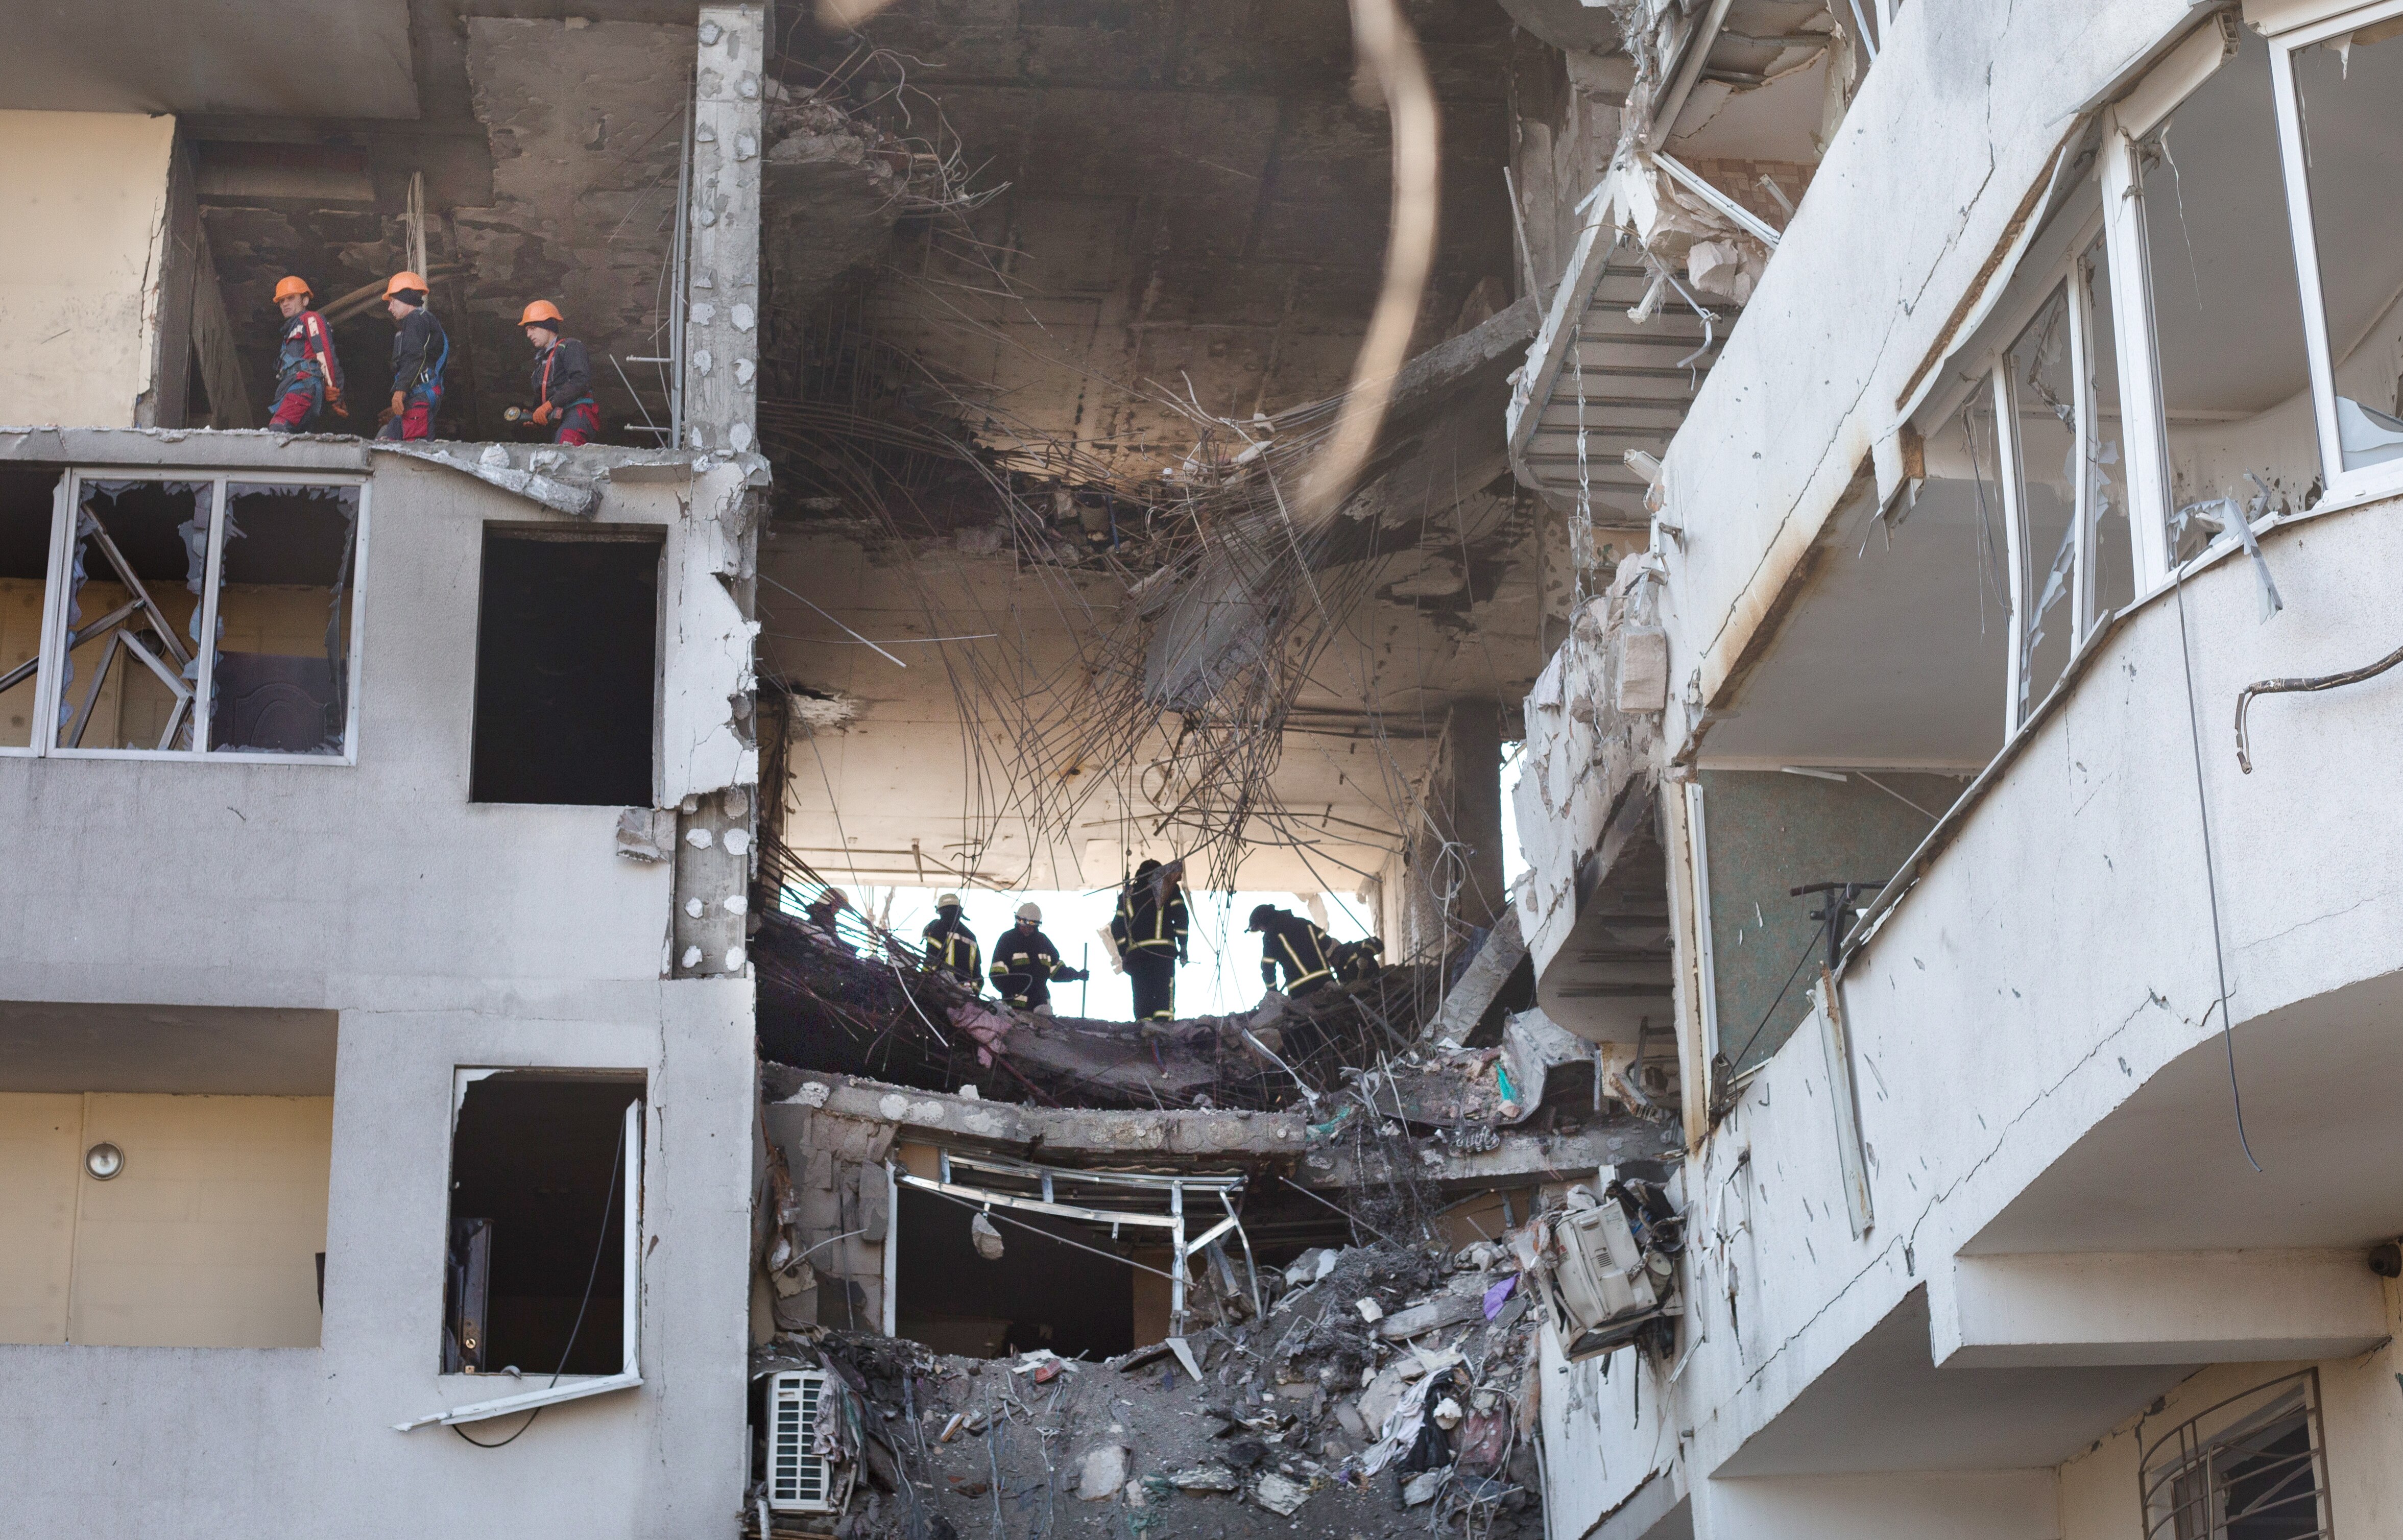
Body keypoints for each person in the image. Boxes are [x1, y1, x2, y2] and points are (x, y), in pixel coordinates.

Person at [1109, 858, 1189, 1021]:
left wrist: (1125, 953)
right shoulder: (1169, 888)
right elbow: (1181, 916)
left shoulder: (1128, 895)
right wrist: (1183, 946)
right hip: (1163, 954)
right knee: (1163, 999)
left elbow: (1117, 927)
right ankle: (1163, 1031)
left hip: (1137, 957)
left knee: (1142, 999)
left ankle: (1143, 1034)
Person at [266, 276, 344, 431]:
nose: (285, 303)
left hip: (304, 387)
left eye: (290, 298)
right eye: (282, 301)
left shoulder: (311, 318)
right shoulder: (289, 331)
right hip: (291, 388)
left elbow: (325, 354)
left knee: (278, 428)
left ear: (305, 301)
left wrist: (335, 391)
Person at [377, 271, 448, 442]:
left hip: (420, 397)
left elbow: (414, 357)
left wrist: (399, 393)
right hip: (418, 395)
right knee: (389, 434)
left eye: (393, 302)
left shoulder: (415, 319)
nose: (390, 308)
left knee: (413, 450)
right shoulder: (421, 320)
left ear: (406, 299)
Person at [518, 300, 599, 445]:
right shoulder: (542, 363)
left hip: (577, 413)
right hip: (558, 419)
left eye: (532, 328)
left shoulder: (570, 346)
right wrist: (536, 415)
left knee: (564, 448)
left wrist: (548, 406)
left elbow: (581, 381)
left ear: (547, 326)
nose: (529, 335)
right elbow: (546, 396)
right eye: (527, 331)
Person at [990, 901, 1087, 1015]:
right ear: (1018, 921)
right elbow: (997, 976)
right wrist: (1016, 989)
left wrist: (1077, 975)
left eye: (1032, 926)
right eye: (1025, 925)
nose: (1028, 929)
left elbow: (1056, 972)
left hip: (1042, 1007)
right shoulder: (1008, 940)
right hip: (1016, 1009)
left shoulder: (1043, 942)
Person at [1251, 903, 1336, 999]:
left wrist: (1273, 991)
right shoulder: (1305, 923)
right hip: (1326, 982)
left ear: (1265, 921)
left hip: (1301, 991)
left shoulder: (1271, 935)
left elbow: (1268, 967)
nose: (1262, 931)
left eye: (1260, 928)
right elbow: (1327, 943)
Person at [922, 892, 982, 991]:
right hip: (964, 997)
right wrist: (973, 994)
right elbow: (977, 973)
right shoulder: (971, 937)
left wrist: (922, 980)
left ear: (940, 911)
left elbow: (932, 960)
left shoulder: (939, 927)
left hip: (942, 991)